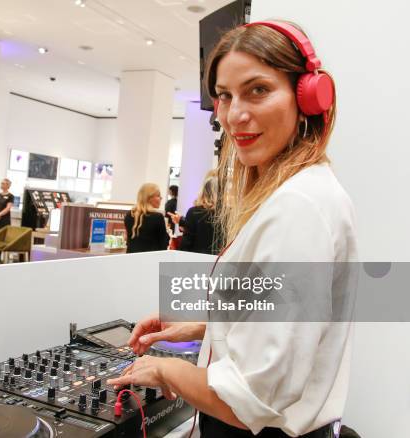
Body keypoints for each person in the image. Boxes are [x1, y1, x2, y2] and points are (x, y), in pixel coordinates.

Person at [108, 21, 357, 437]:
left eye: (258, 89)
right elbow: (298, 320)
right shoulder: (304, 193)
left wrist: (163, 369)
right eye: (225, 96)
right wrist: (204, 326)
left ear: (308, 97)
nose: (235, 114)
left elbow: (246, 400)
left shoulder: (298, 208)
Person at [173, 172, 217, 254]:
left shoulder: (194, 212)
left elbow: (186, 244)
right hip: (219, 262)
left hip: (196, 260)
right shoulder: (228, 214)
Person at [124, 183, 169, 253]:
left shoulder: (129, 215)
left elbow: (128, 241)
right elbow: (163, 245)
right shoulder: (157, 217)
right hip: (150, 259)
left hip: (131, 258)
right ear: (149, 198)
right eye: (158, 196)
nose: (161, 198)